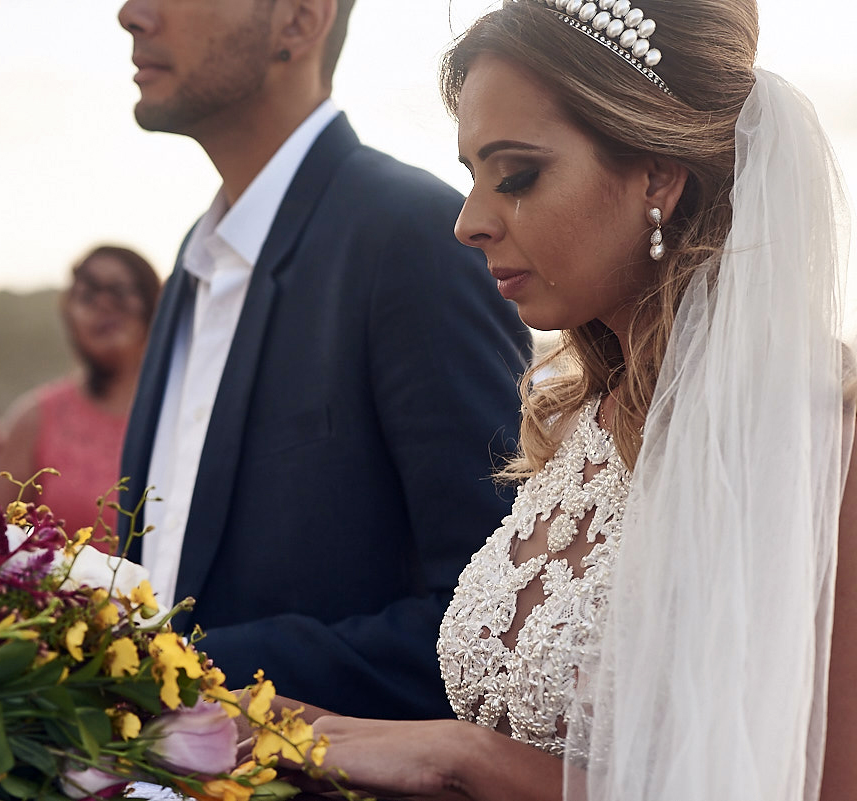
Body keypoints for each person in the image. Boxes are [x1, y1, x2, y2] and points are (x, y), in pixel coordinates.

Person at [286, 1, 857, 800]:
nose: (469, 222)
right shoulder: (574, 422)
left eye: (517, 176)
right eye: (472, 177)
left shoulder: (820, 441)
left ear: (657, 174)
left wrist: (468, 761)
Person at [116, 0, 532, 721]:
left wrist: (168, 667)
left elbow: (489, 622)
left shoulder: (414, 237)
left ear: (300, 20)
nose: (131, 14)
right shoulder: (196, 261)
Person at [0, 245, 161, 547]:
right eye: (87, 294)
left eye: (120, 290)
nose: (104, 304)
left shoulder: (183, 417)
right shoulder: (36, 418)